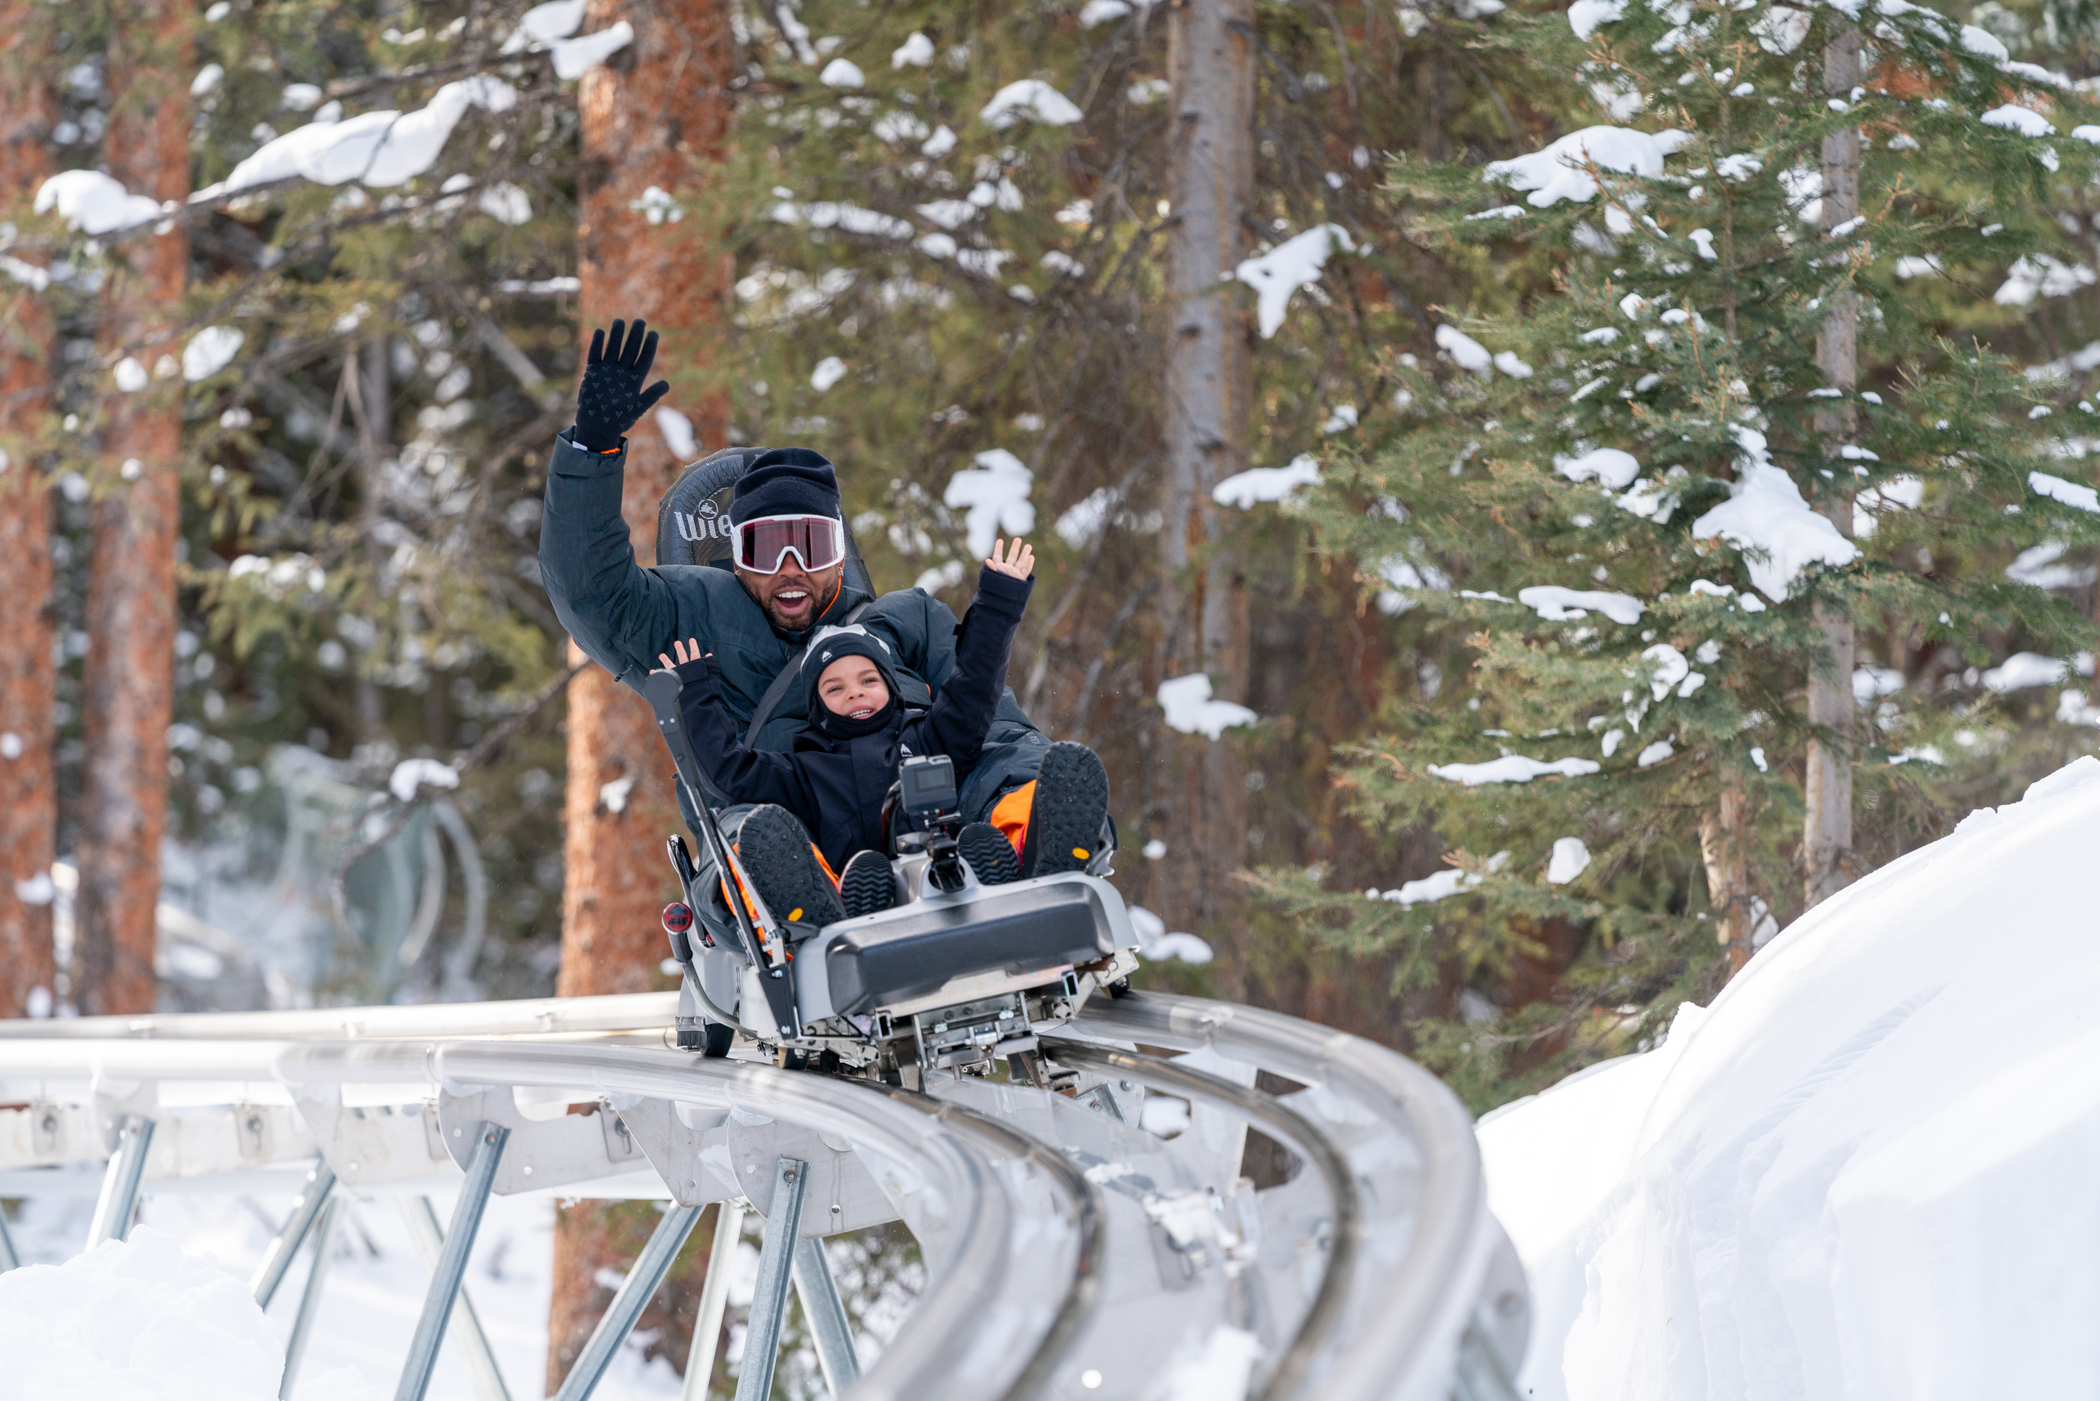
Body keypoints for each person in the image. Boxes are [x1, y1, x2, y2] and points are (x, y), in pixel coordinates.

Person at [538, 316, 1064, 835]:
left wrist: (1023, 772)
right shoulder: (691, 617)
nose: (790, 568)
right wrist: (592, 450)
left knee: (1011, 757)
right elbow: (592, 595)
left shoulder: (911, 620)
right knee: (752, 825)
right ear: (737, 557)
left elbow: (983, 715)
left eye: (810, 546)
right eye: (766, 549)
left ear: (840, 553)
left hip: (931, 824)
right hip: (786, 836)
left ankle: (1033, 829)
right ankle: (789, 872)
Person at [658, 539, 1110, 924]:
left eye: (868, 680)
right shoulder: (803, 771)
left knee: (1016, 801)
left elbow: (975, 685)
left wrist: (999, 603)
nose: (854, 692)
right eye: (835, 688)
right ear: (817, 708)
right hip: (849, 899)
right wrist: (695, 694)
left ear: (892, 689)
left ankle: (1035, 856)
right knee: (768, 837)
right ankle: (807, 912)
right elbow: (729, 772)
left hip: (948, 874)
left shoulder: (928, 737)